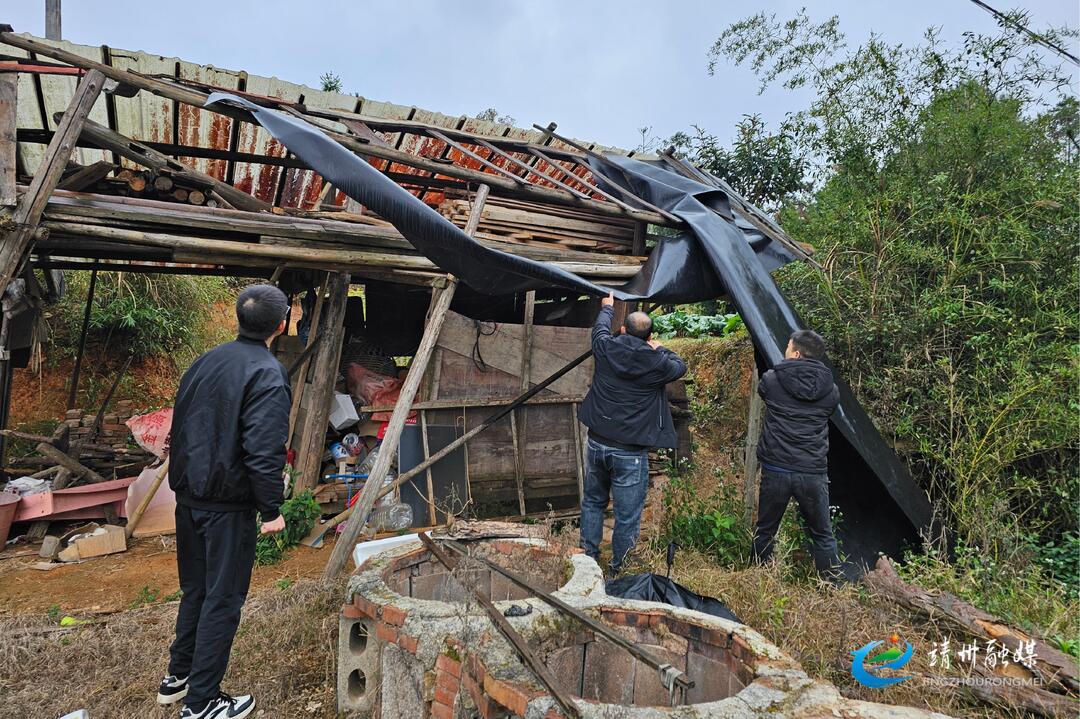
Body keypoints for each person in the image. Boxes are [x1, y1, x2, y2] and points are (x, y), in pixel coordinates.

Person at [156, 284, 292, 719]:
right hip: (227, 507)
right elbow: (264, 449)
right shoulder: (267, 373)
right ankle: (203, 703)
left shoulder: (206, 360)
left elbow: (183, 425)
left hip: (188, 496)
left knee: (196, 589)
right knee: (223, 598)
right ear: (282, 324)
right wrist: (270, 510)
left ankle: (177, 677)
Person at [578, 293, 687, 575]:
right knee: (627, 515)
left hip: (597, 442)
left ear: (623, 330)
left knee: (592, 502)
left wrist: (607, 308)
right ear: (650, 336)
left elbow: (600, 328)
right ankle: (619, 568)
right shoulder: (657, 363)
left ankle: (588, 560)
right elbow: (680, 366)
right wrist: (660, 348)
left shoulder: (605, 348)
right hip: (630, 452)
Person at [751, 329, 842, 578]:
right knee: (823, 535)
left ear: (797, 353)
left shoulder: (772, 380)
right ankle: (831, 586)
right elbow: (829, 409)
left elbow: (764, 392)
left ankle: (758, 579)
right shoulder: (830, 390)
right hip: (812, 472)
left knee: (765, 530)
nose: (785, 351)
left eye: (788, 347)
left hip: (777, 469)